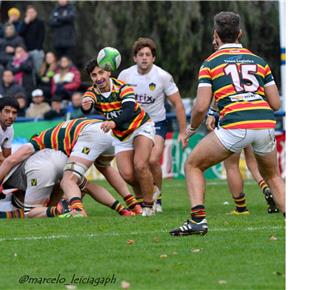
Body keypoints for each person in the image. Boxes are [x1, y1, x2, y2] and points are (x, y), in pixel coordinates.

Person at [169, 11, 286, 236]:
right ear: (240, 33)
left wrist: (192, 129)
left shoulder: (210, 63)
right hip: (264, 124)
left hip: (235, 125)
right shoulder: (259, 61)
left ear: (216, 34)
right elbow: (275, 103)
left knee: (193, 165)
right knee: (273, 176)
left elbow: (201, 106)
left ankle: (197, 221)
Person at [0, 118, 143, 217]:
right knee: (91, 179)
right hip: (106, 131)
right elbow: (106, 171)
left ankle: (76, 211)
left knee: (68, 181)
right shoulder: (55, 137)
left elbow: (11, 160)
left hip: (91, 134)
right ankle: (129, 207)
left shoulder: (38, 141)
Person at [118, 37, 188, 213]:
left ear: (153, 58)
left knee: (153, 159)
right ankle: (146, 194)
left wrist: (182, 131)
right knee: (132, 170)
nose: (144, 58)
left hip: (156, 123)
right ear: (134, 58)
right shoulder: (125, 75)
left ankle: (158, 198)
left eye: (148, 54)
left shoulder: (162, 76)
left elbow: (178, 104)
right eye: (140, 54)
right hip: (132, 125)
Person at [82, 59, 156, 216]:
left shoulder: (123, 87)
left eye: (101, 72)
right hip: (121, 135)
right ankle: (150, 189)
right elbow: (87, 104)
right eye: (94, 75)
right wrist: (85, 105)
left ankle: (149, 206)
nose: (98, 77)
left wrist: (113, 122)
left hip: (141, 127)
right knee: (127, 175)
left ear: (109, 72)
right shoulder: (92, 92)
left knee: (140, 165)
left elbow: (129, 110)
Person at [205, 108, 279, 214]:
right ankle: (266, 188)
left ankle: (241, 208)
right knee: (253, 164)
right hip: (254, 120)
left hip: (233, 121)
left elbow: (208, 103)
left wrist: (211, 112)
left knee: (231, 165)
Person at [20, 5, 46, 73]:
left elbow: (41, 36)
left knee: (37, 71)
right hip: (26, 51)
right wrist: (25, 24)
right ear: (26, 14)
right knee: (27, 71)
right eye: (29, 12)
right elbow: (20, 34)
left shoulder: (40, 22)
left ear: (36, 13)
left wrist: (37, 48)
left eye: (32, 12)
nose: (30, 14)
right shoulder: (24, 23)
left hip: (36, 51)